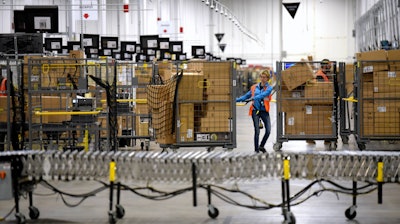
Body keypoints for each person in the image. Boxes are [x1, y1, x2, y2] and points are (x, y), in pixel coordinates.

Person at [236, 70, 274, 153]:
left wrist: (254, 98)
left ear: (268, 78)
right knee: (257, 130)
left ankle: (261, 146)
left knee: (268, 130)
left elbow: (263, 95)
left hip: (264, 111)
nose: (262, 79)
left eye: (264, 77)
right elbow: (246, 96)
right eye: (261, 77)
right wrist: (236, 100)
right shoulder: (254, 87)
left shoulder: (269, 88)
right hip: (255, 110)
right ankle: (256, 150)